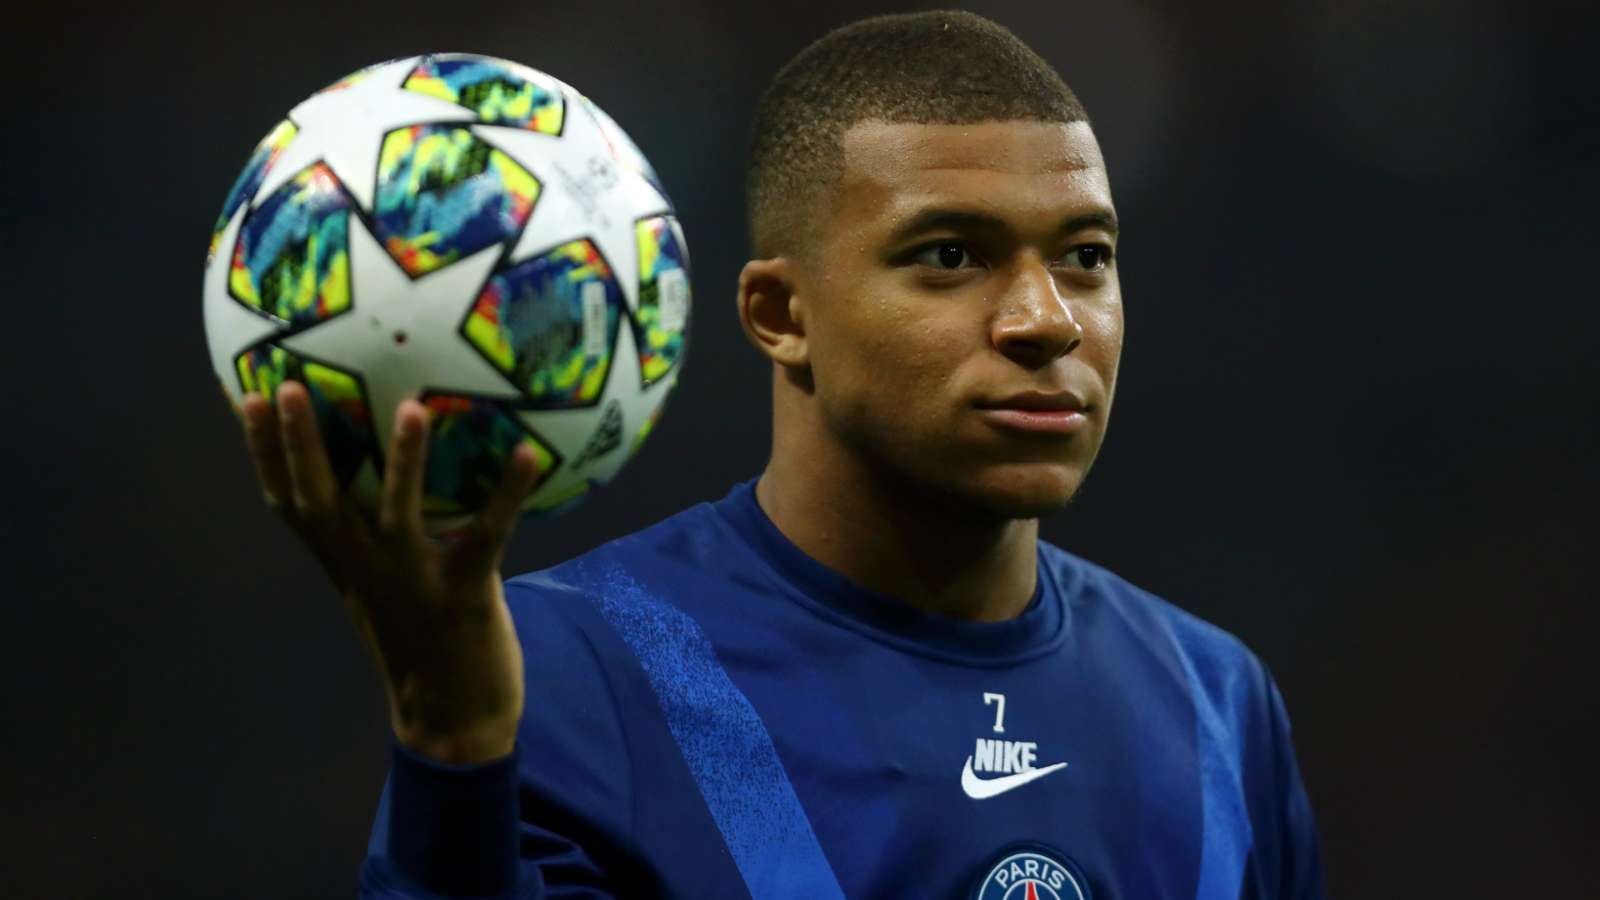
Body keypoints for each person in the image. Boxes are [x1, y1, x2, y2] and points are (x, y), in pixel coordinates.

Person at [237, 10, 1323, 899]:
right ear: (778, 314)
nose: (1047, 320)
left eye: (1085, 256)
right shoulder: (565, 677)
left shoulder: (1215, 705)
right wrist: (457, 748)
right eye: (951, 255)